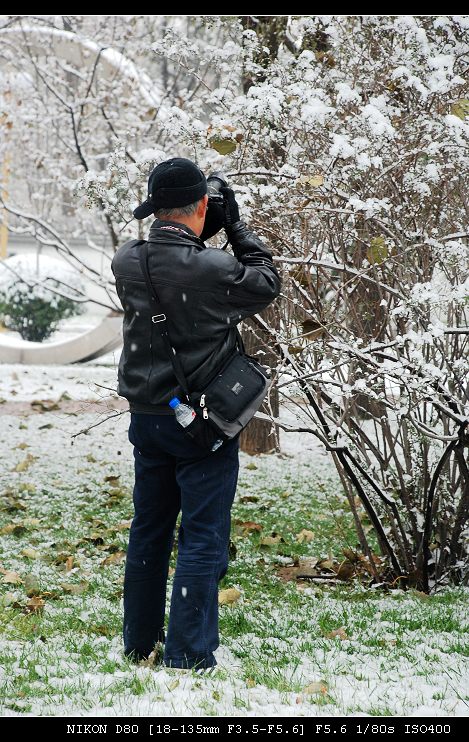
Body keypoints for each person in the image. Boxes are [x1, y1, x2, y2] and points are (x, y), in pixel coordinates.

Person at [111, 157, 281, 671]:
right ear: (203, 206)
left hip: (148, 413)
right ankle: (189, 654)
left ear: (155, 207)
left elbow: (171, 262)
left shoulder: (127, 259)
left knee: (150, 529)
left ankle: (140, 643)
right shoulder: (209, 268)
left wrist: (202, 226)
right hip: (201, 422)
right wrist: (234, 226)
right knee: (203, 534)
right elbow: (266, 281)